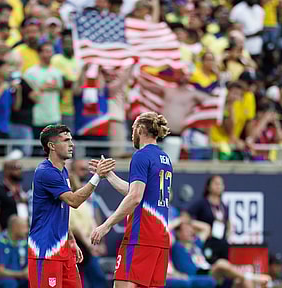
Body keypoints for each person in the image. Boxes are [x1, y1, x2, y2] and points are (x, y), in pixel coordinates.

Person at [90, 111, 173, 287]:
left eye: (133, 128)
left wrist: (107, 225)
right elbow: (138, 192)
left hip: (141, 237)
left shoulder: (141, 155)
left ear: (141, 129)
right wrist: (109, 175)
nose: (131, 133)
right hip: (160, 239)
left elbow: (135, 197)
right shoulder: (165, 158)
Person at [28, 124, 115, 288]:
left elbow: (61, 210)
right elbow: (74, 201)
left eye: (71, 140)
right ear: (51, 146)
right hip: (46, 249)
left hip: (63, 247)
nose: (72, 144)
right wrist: (97, 177)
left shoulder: (62, 171)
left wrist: (71, 239)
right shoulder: (46, 172)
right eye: (66, 140)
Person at [171, 212, 270, 288]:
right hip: (198, 274)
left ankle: (248, 278)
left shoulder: (196, 244)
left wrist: (188, 221)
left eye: (191, 229)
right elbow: (166, 230)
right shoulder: (176, 245)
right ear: (178, 233)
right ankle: (252, 277)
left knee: (242, 282)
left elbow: (206, 228)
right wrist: (179, 220)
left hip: (208, 270)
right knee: (221, 264)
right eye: (186, 230)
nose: (191, 231)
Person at [68, 159, 108, 288]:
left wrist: (98, 241)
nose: (84, 173)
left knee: (96, 278)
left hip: (88, 243)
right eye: (81, 169)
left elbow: (93, 219)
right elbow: (74, 226)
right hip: (78, 244)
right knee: (78, 279)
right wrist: (89, 245)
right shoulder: (69, 199)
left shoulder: (89, 198)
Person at [187, 175, 230, 264]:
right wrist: (198, 229)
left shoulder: (223, 206)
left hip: (221, 243)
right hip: (207, 242)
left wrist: (228, 233)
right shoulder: (202, 203)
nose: (219, 186)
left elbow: (228, 222)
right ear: (208, 186)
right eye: (216, 183)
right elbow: (186, 217)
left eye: (221, 184)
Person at [0, 158, 27, 234]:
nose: (19, 171)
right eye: (15, 168)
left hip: (24, 234)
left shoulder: (23, 190)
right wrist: (0, 236)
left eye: (20, 168)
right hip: (7, 234)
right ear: (6, 170)